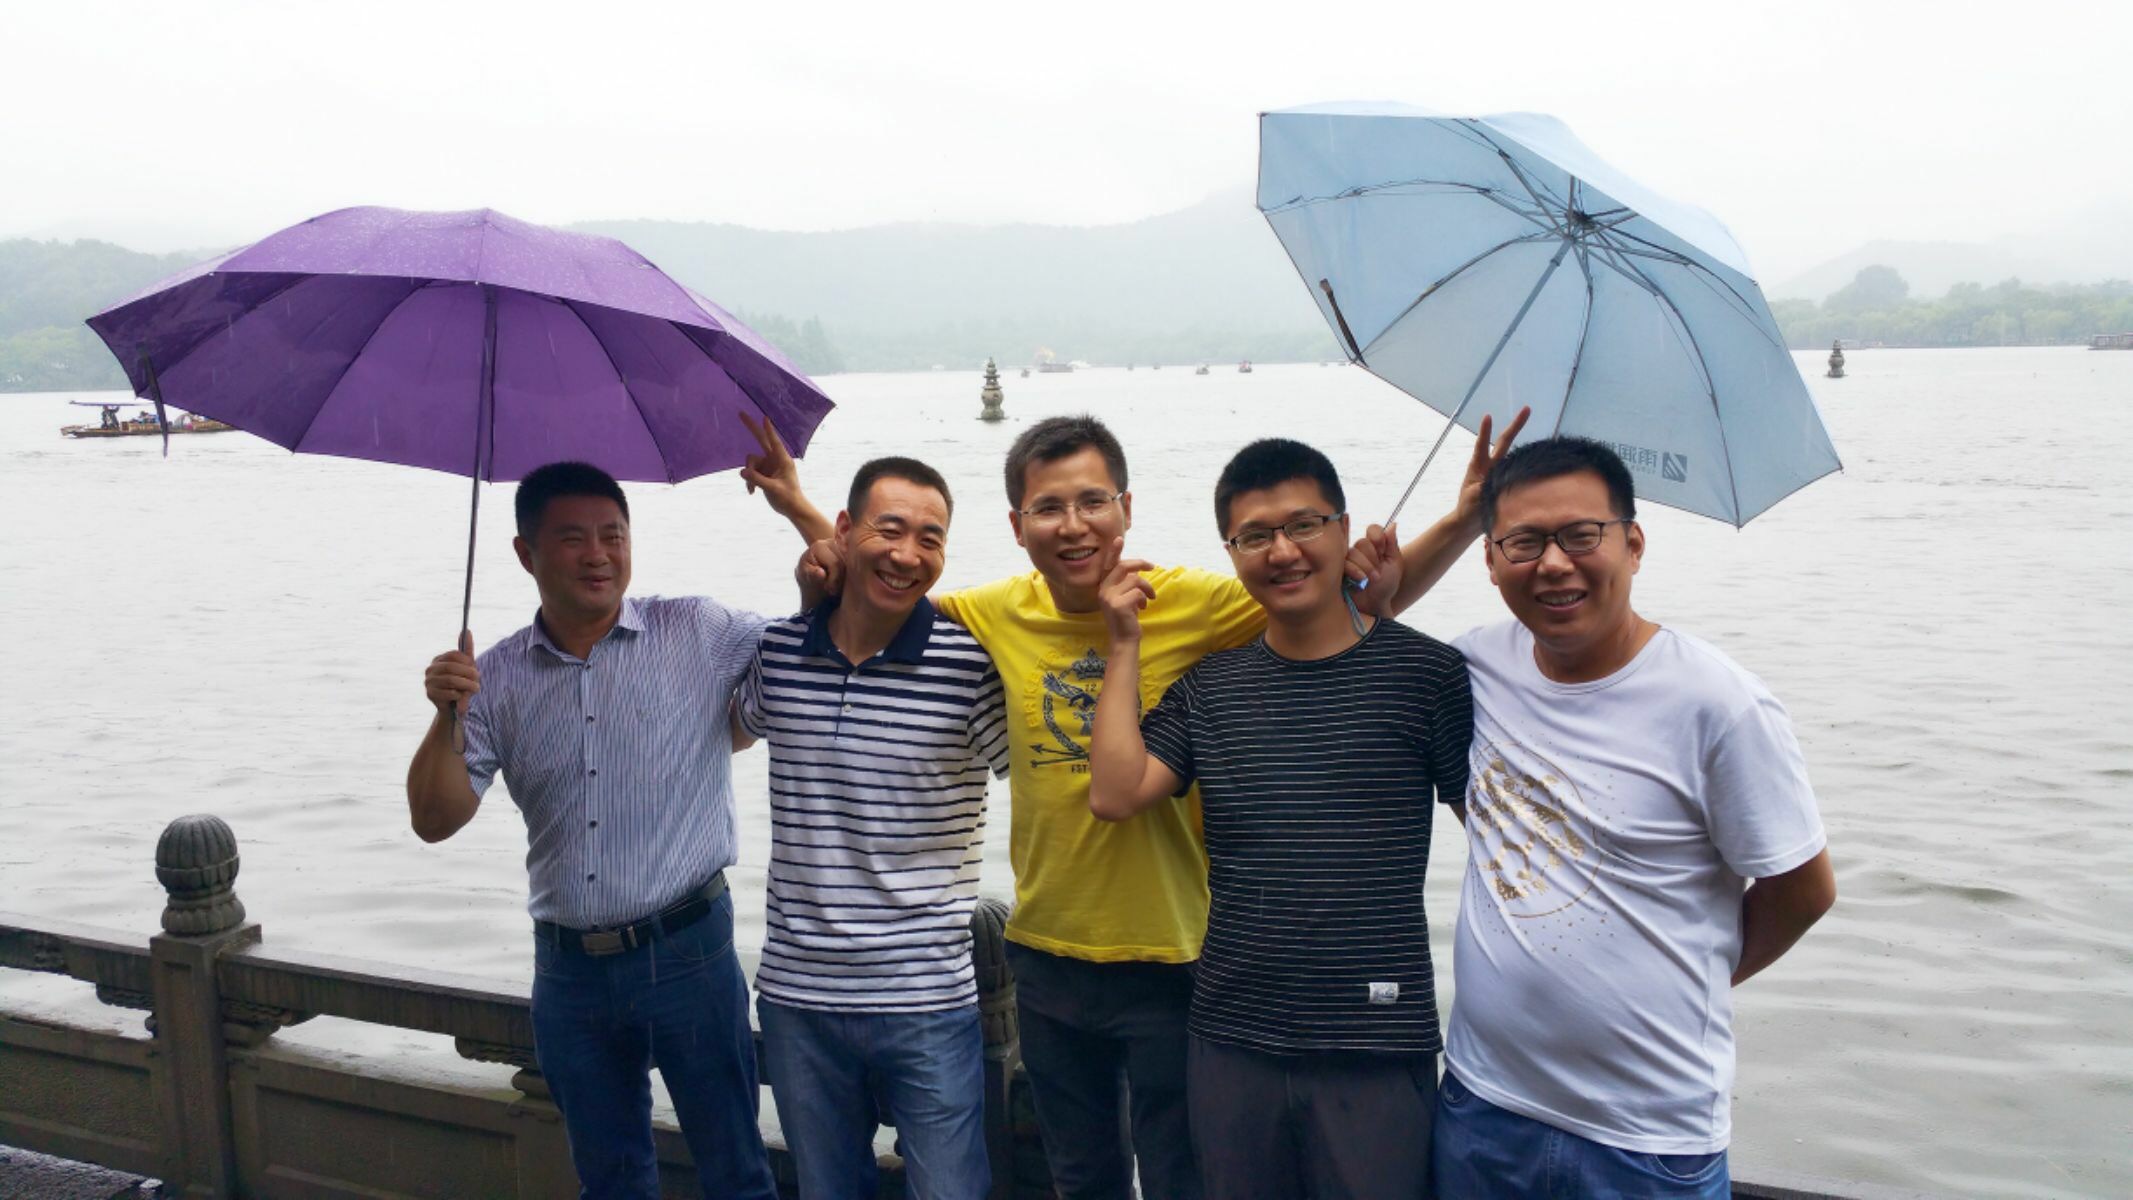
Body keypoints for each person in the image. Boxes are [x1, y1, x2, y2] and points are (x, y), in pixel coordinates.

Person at [761, 413, 1514, 1199]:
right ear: (1017, 526)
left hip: (1176, 955)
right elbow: (888, 582)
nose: (1073, 525)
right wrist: (808, 522)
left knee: (1180, 1174)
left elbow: (1338, 601)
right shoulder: (992, 612)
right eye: (1048, 508)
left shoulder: (1194, 603)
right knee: (1078, 1176)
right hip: (1047, 950)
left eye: (1093, 501)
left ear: (1125, 508)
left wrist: (1463, 520)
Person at [1351, 435, 1837, 1197]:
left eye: (1580, 536)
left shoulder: (1717, 703)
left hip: (1646, 1138)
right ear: (1489, 561)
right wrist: (1436, 537)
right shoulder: (1474, 669)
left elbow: (1801, 891)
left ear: (1633, 544)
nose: (1553, 564)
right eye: (1523, 542)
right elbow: (1348, 632)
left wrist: (1691, 976)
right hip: (1482, 1108)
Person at [407, 424, 831, 1200]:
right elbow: (436, 820)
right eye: (572, 538)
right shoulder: (493, 678)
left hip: (688, 951)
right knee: (610, 1181)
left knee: (737, 1172)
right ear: (526, 553)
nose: (597, 554)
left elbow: (831, 633)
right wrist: (446, 715)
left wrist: (797, 509)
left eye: (612, 535)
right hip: (567, 970)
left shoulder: (695, 630)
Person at [1087, 438, 1473, 1200]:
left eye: (1303, 525)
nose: (1283, 551)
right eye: (1255, 536)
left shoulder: (1426, 674)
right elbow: (1115, 792)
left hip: (1375, 1039)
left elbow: (1495, 840)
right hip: (1233, 1038)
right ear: (1231, 553)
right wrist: (1123, 645)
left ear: (1344, 529)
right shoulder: (1211, 687)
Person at [734, 457, 1009, 1200]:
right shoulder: (780, 652)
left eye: (931, 538)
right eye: (890, 530)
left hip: (926, 994)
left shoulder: (969, 665)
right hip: (799, 994)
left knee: (951, 1190)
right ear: (845, 530)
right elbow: (727, 733)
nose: (908, 554)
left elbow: (1044, 775)